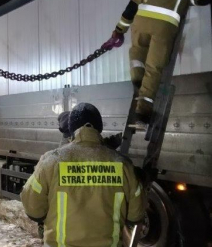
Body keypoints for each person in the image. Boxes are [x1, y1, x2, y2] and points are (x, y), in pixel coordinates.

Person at [112, 0, 212, 127]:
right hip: (164, 26)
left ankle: (137, 80)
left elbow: (132, 6)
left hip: (140, 22)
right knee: (154, 67)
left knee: (137, 55)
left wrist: (119, 30)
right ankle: (143, 113)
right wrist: (189, 0)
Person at [21, 103, 147, 247]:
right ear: (99, 128)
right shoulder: (123, 165)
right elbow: (135, 215)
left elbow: (33, 210)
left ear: (71, 128)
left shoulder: (51, 161)